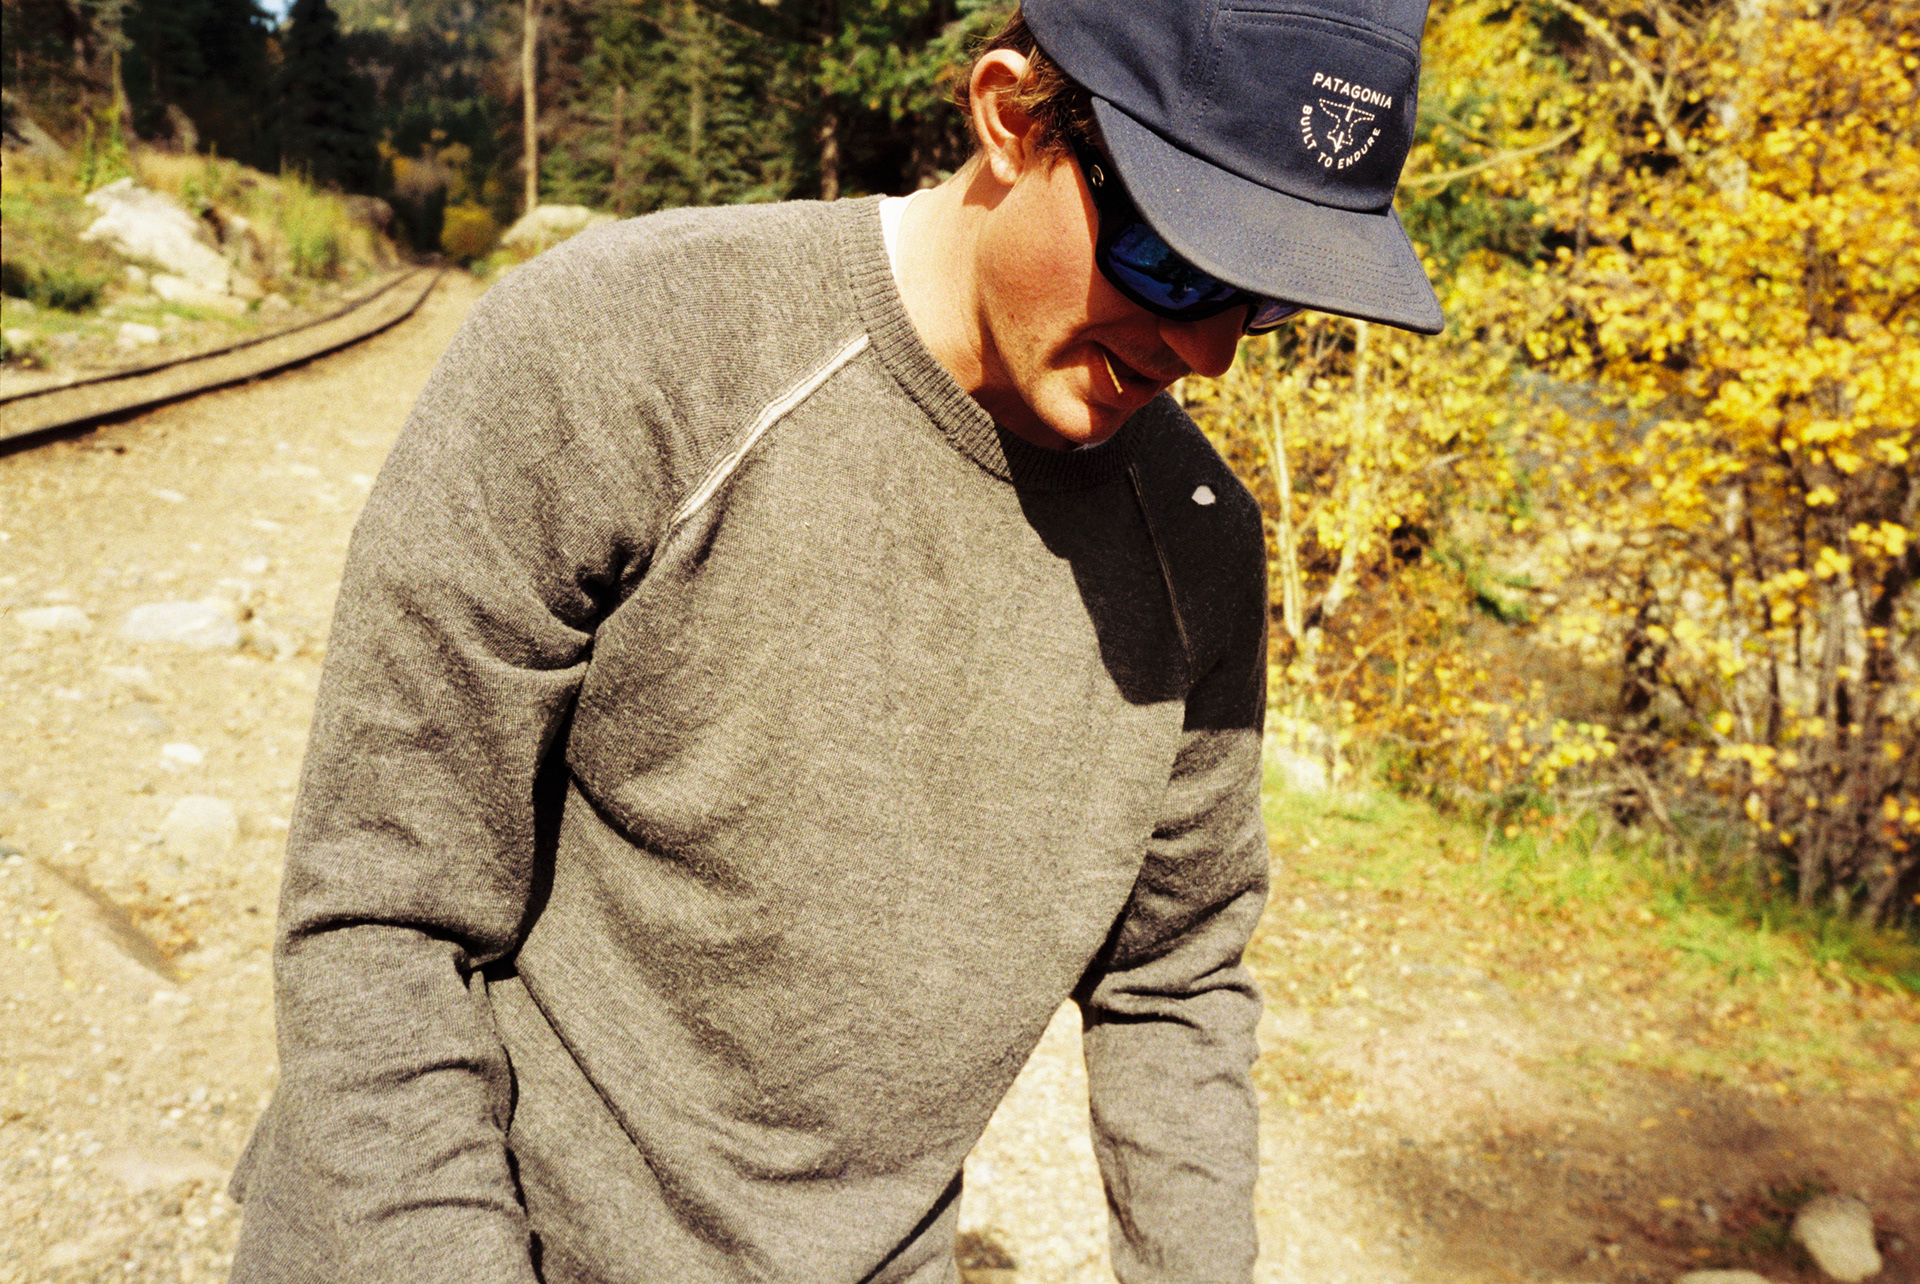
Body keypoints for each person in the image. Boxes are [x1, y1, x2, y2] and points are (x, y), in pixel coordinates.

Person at [226, 0, 1442, 1280]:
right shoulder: (619, 350)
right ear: (1011, 114)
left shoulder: (1195, 544)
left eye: (1261, 297)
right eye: (1177, 259)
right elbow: (382, 915)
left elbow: (1176, 983)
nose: (1206, 352)